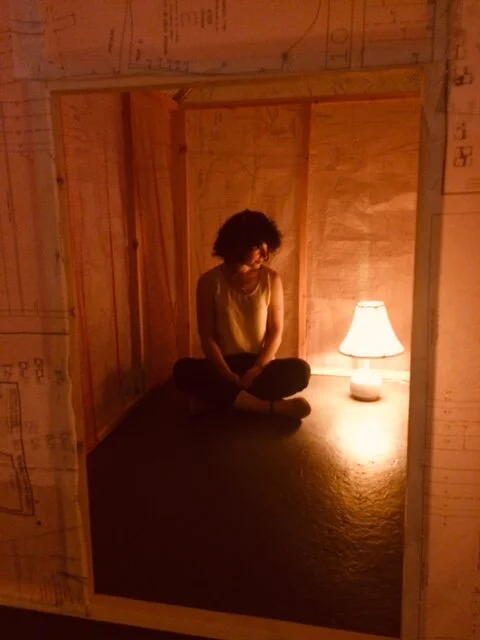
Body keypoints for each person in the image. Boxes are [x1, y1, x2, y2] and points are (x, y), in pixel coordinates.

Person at [173, 209, 311, 420]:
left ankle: (220, 401)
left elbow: (275, 333)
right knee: (182, 370)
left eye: (267, 248)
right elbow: (207, 336)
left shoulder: (271, 280)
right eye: (258, 249)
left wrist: (256, 369)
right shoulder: (209, 282)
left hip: (258, 367)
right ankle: (271, 408)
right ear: (238, 246)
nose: (265, 256)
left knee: (300, 371)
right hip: (223, 365)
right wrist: (227, 373)